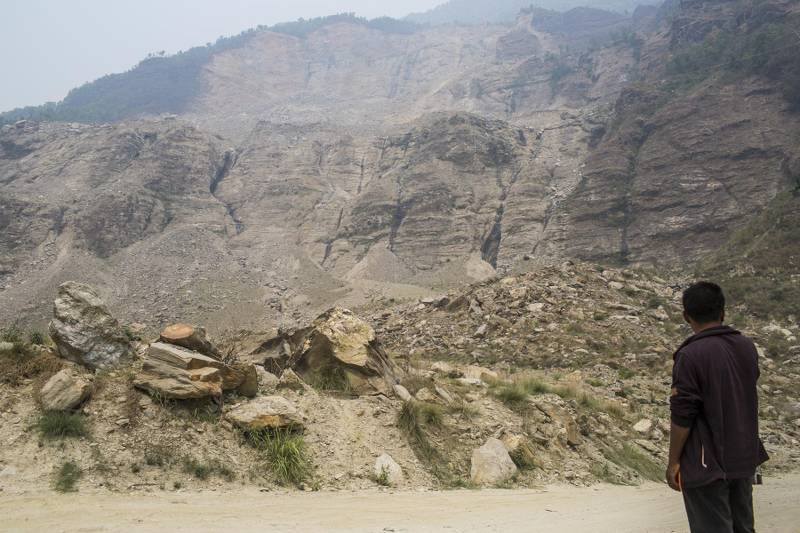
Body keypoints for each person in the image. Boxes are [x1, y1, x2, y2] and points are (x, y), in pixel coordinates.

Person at [667, 282, 769, 532]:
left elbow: (683, 414)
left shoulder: (690, 355)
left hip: (706, 465)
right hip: (743, 459)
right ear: (723, 312)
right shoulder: (746, 347)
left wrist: (673, 462)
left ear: (686, 316)